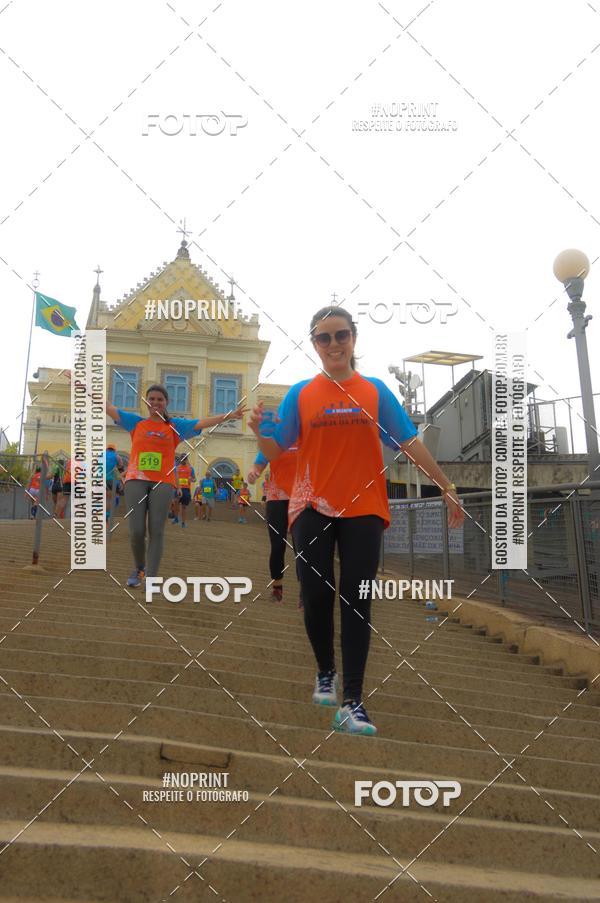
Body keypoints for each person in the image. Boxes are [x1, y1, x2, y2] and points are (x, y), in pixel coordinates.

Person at [249, 306, 464, 737]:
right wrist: (260, 434)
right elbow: (277, 454)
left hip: (365, 509)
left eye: (341, 335)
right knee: (314, 594)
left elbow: (408, 442)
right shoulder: (301, 395)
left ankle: (353, 700)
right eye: (324, 338)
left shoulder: (375, 391)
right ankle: (325, 670)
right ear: (314, 344)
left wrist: (446, 485)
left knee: (357, 598)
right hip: (310, 506)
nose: (334, 345)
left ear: (354, 338)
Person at [101, 382, 245, 588]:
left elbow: (201, 422)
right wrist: (81, 385)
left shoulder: (175, 426)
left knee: (156, 530)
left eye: (160, 399)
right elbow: (107, 406)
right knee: (136, 531)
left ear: (166, 402)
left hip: (163, 482)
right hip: (135, 480)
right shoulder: (136, 423)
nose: (155, 402)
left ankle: (152, 578)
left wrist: (228, 416)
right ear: (146, 402)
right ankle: (139, 568)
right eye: (152, 399)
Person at [248, 445, 300, 605]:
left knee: (302, 547)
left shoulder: (307, 433)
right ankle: (277, 587)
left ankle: (305, 592)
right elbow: (261, 459)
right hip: (276, 497)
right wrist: (254, 471)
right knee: (278, 545)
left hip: (301, 497)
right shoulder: (275, 438)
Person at [174, 454, 196, 528]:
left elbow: (194, 479)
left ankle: (183, 523)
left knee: (184, 507)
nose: (183, 460)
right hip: (177, 488)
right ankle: (176, 518)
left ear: (186, 459)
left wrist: (191, 479)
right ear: (180, 459)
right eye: (182, 458)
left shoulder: (190, 468)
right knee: (175, 503)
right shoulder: (176, 468)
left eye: (185, 458)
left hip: (186, 489)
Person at [105, 444, 124, 523]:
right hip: (111, 480)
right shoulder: (117, 456)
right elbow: (120, 466)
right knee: (114, 499)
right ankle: (106, 515)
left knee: (105, 498)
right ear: (114, 450)